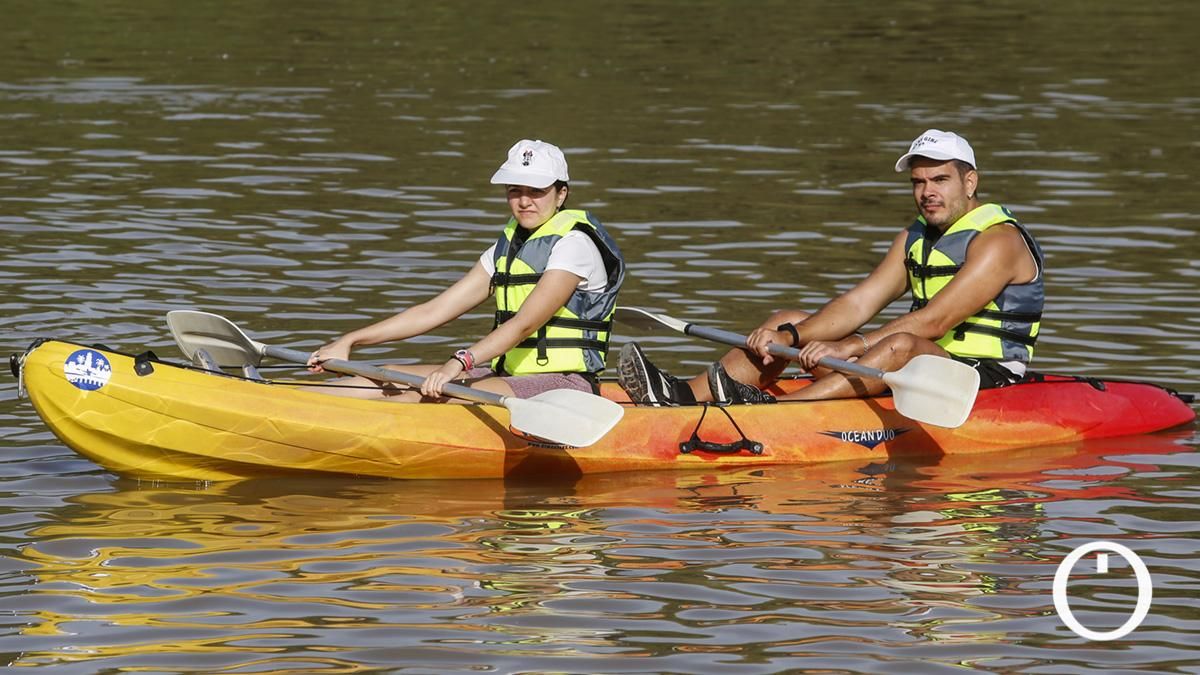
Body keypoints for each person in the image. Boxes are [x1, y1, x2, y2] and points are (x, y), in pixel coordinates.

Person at [619, 129, 1044, 406]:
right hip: (914, 367)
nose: (926, 192)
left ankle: (777, 410)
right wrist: (788, 335)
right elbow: (859, 303)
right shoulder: (914, 237)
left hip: (984, 380)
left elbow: (935, 321)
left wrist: (848, 347)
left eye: (940, 180)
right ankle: (681, 396)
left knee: (902, 347)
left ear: (970, 183)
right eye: (918, 181)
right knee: (788, 319)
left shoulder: (999, 241)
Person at [307, 139, 625, 402]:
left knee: (425, 394)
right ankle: (295, 407)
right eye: (515, 190)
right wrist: (350, 341)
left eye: (536, 190)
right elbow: (434, 311)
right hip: (506, 377)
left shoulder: (574, 246)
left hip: (562, 386)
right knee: (379, 378)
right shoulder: (506, 249)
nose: (524, 201)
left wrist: (458, 363)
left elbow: (524, 326)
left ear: (561, 194)